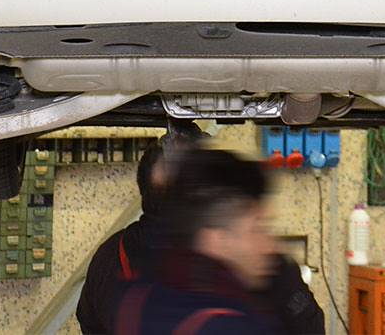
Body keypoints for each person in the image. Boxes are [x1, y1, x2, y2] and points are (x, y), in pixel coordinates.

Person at [78, 141, 323, 334]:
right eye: (257, 227)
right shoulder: (254, 282)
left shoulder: (115, 260)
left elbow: (89, 321)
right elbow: (309, 326)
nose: (268, 243)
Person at [113, 148, 290, 334]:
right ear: (218, 239)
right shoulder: (238, 326)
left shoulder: (134, 301)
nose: (270, 246)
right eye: (257, 229)